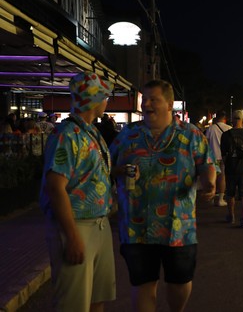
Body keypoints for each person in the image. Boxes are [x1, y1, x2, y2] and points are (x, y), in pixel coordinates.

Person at [109, 79, 216, 312]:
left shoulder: (191, 134)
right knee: (143, 283)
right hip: (136, 227)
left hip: (178, 228)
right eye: (144, 99)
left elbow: (206, 164)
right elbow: (105, 165)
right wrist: (119, 170)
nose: (146, 104)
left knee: (179, 282)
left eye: (152, 99)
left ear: (169, 104)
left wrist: (210, 182)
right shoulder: (128, 134)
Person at [39, 71, 116, 311]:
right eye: (105, 96)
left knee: (96, 297)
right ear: (94, 99)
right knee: (73, 303)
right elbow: (55, 186)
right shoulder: (67, 135)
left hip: (100, 225)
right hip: (77, 227)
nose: (107, 101)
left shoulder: (90, 131)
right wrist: (72, 237)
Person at [220, 110, 243, 228]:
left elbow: (223, 154)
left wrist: (227, 163)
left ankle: (231, 215)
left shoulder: (226, 135)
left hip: (231, 167)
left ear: (232, 119)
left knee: (230, 193)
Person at [205, 110, 232, 207]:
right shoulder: (229, 128)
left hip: (212, 156)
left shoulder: (210, 129)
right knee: (222, 177)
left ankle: (211, 198)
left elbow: (206, 142)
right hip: (224, 156)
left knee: (212, 177)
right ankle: (220, 199)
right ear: (225, 118)